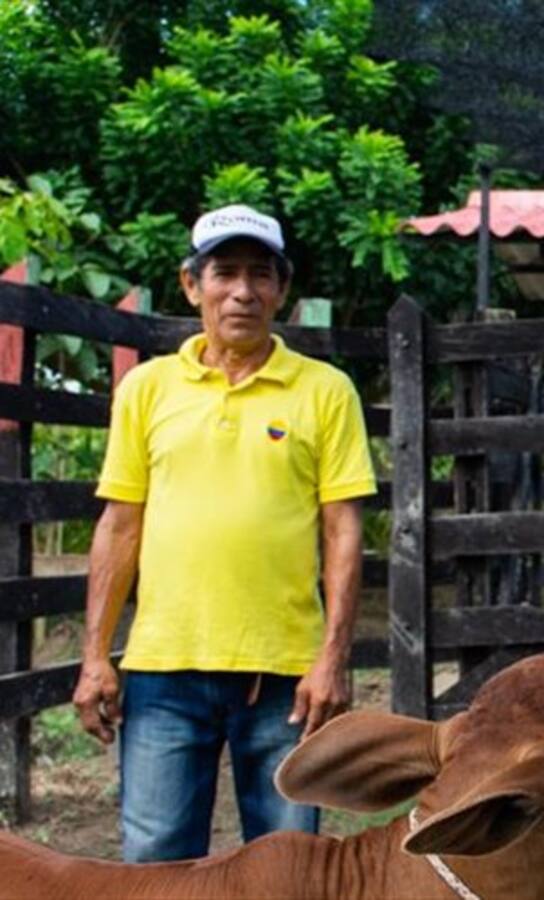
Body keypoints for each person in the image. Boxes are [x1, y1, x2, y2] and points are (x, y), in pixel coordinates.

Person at [71, 204, 377, 862]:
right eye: (225, 273)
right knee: (155, 862)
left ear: (281, 291)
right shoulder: (148, 389)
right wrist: (96, 655)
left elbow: (342, 530)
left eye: (261, 275)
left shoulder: (325, 391)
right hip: (163, 669)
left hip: (286, 673)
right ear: (192, 286)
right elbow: (121, 523)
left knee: (288, 863)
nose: (243, 291)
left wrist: (331, 658)